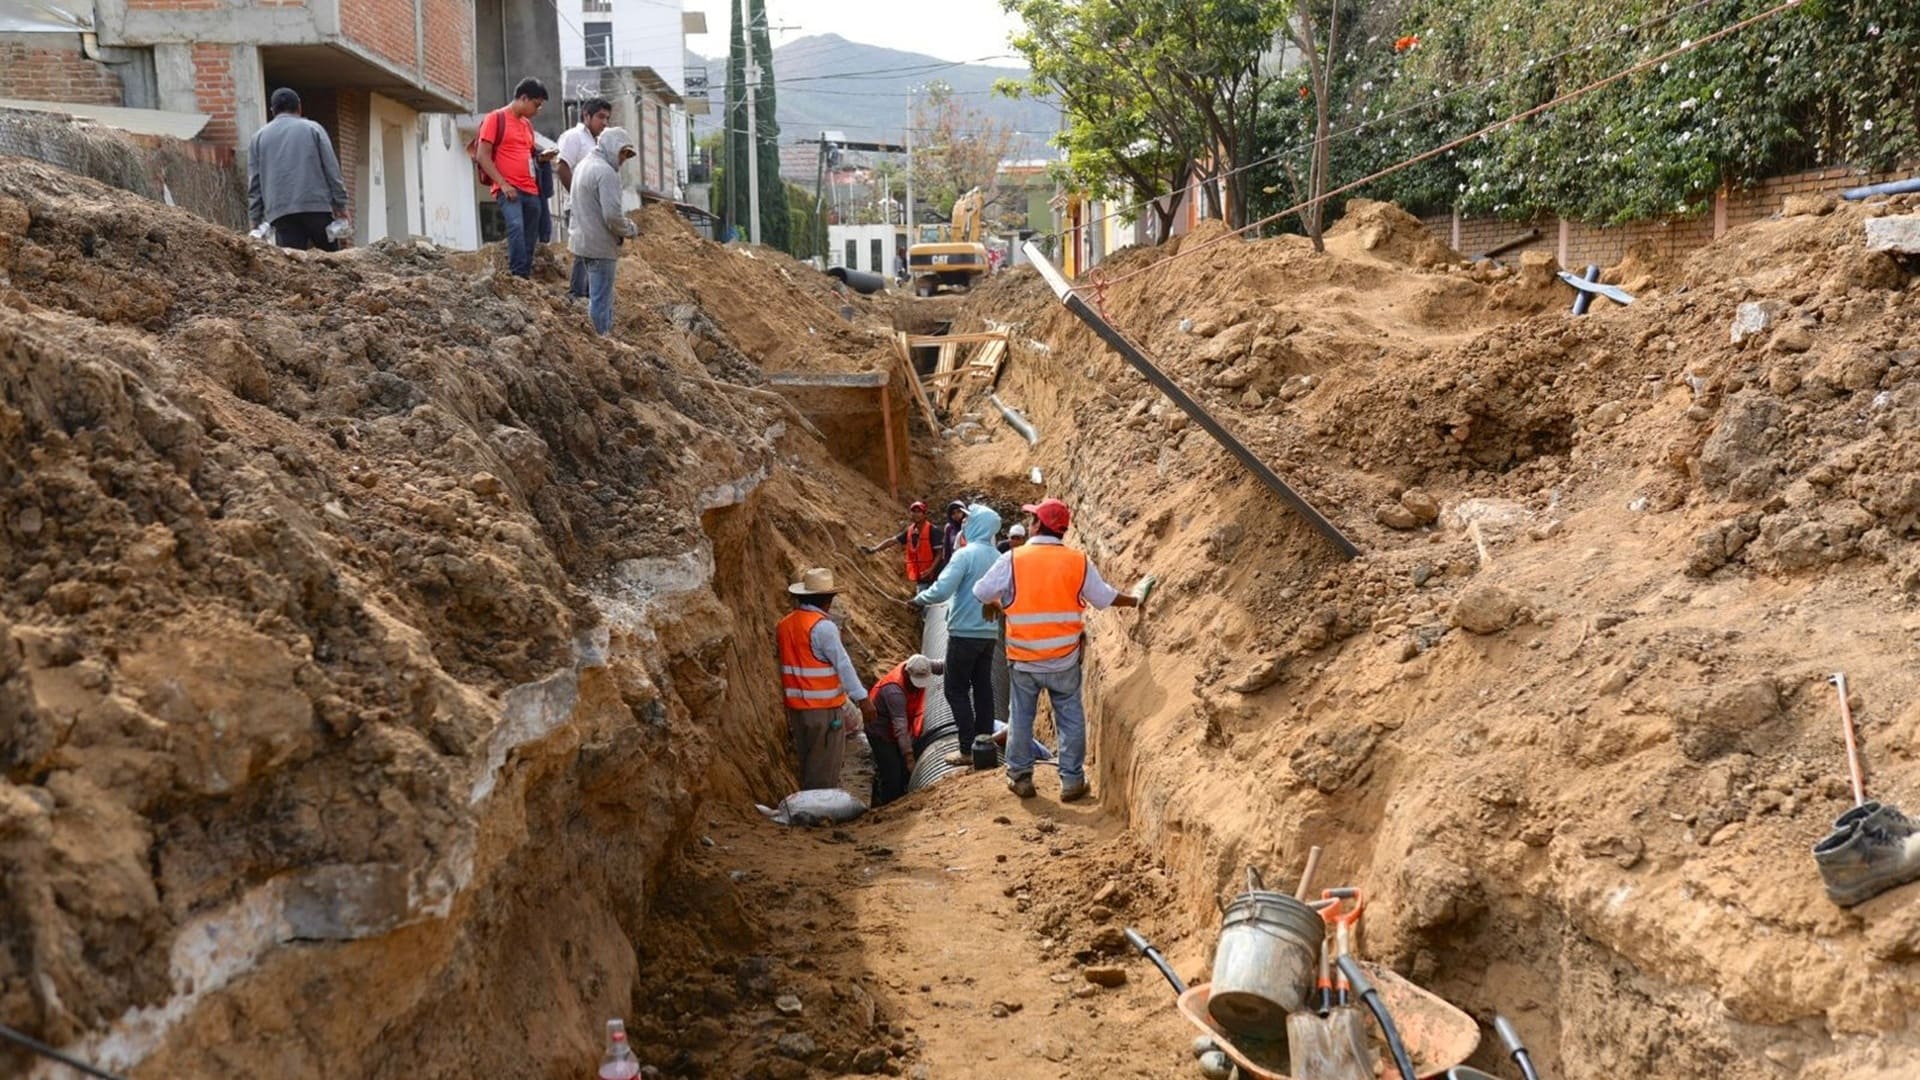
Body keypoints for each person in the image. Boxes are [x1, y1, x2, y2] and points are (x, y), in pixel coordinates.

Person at [974, 498, 1142, 802]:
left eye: (1032, 518)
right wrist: (1134, 599)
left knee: (1021, 718)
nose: (1029, 522)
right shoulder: (1077, 561)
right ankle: (1072, 781)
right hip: (1063, 659)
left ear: (1038, 524)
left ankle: (1020, 777)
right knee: (1070, 718)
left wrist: (1000, 605)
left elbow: (982, 591)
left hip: (1024, 659)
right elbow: (1104, 598)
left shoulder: (1014, 559)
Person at [911, 504, 1003, 767]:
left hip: (964, 633)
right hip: (989, 634)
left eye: (968, 520)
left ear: (975, 526)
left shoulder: (965, 555)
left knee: (955, 689)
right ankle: (985, 747)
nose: (964, 524)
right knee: (984, 689)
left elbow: (941, 590)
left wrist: (919, 599)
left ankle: (967, 749)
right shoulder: (998, 556)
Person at [777, 567, 875, 790]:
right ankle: (820, 815)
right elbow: (843, 665)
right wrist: (863, 699)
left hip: (796, 708)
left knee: (809, 761)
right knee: (825, 766)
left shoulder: (785, 625)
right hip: (823, 708)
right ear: (828, 600)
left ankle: (809, 806)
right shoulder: (823, 627)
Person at [247, 88, 349, 252]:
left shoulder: (258, 138)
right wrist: (341, 205)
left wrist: (255, 219)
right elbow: (332, 170)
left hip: (281, 213)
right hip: (317, 208)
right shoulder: (313, 129)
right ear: (299, 107)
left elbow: (255, 184)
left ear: (272, 111)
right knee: (332, 264)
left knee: (294, 267)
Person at [568, 126, 639, 335]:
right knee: (600, 300)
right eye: (623, 153)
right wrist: (630, 229)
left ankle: (598, 340)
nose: (623, 159)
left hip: (582, 242)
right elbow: (612, 216)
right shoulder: (605, 172)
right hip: (600, 245)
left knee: (596, 297)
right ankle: (602, 340)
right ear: (613, 147)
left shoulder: (583, 166)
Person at [476, 77, 548, 278]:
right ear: (524, 98)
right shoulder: (495, 118)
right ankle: (517, 275)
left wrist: (543, 157)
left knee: (530, 234)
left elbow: (528, 154)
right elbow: (482, 155)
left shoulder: (527, 125)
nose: (537, 110)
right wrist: (503, 183)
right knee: (516, 226)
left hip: (531, 189)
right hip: (508, 189)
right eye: (536, 105)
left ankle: (524, 274)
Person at [867, 653, 943, 807]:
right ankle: (886, 807)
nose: (919, 685)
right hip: (880, 733)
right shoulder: (894, 691)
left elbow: (944, 665)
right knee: (893, 775)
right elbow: (900, 728)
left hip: (899, 728)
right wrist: (909, 759)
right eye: (916, 682)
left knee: (902, 772)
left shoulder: (922, 665)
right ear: (908, 673)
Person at [556, 98, 613, 300]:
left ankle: (587, 292)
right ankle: (577, 293)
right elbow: (562, 166)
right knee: (583, 248)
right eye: (600, 117)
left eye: (607, 118)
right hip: (580, 206)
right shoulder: (574, 137)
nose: (604, 122)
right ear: (586, 116)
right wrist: (578, 196)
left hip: (595, 208)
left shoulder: (598, 143)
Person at [864, 501, 943, 585]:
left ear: (924, 514)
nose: (916, 514)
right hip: (921, 576)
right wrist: (873, 549)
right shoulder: (910, 531)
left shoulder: (933, 531)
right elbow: (892, 541)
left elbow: (940, 554)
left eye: (919, 512)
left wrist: (930, 570)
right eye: (914, 511)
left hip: (935, 577)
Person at [935, 500, 968, 576]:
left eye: (959, 512)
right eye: (953, 513)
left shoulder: (970, 525)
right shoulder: (949, 528)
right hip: (955, 565)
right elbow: (947, 550)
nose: (956, 515)